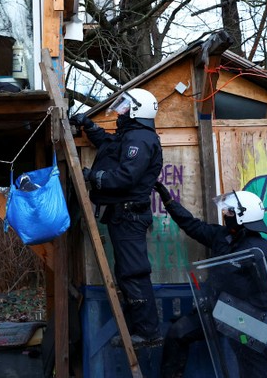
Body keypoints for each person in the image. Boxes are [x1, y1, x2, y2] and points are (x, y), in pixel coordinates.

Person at [153, 186, 267, 378]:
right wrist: (169, 202)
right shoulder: (221, 236)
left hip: (243, 319)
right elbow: (192, 225)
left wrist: (241, 313)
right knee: (178, 332)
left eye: (230, 210)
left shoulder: (262, 251)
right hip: (215, 310)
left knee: (253, 368)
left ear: (242, 216)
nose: (225, 213)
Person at [69, 88, 163, 347]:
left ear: (136, 110)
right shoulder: (129, 136)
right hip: (122, 215)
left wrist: (94, 178)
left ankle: (148, 332)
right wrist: (87, 124)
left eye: (125, 107)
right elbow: (108, 145)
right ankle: (137, 328)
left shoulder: (140, 139)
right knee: (126, 274)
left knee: (133, 273)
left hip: (129, 215)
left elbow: (126, 176)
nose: (120, 111)